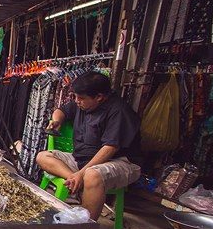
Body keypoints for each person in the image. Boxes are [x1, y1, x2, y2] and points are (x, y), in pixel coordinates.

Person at [36, 72, 141, 220]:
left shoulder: (118, 111)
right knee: (43, 156)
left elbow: (109, 149)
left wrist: (83, 173)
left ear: (99, 97)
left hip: (120, 161)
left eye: (81, 98)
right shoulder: (83, 103)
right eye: (75, 97)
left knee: (92, 175)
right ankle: (73, 179)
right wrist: (57, 121)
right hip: (82, 159)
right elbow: (61, 111)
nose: (77, 101)